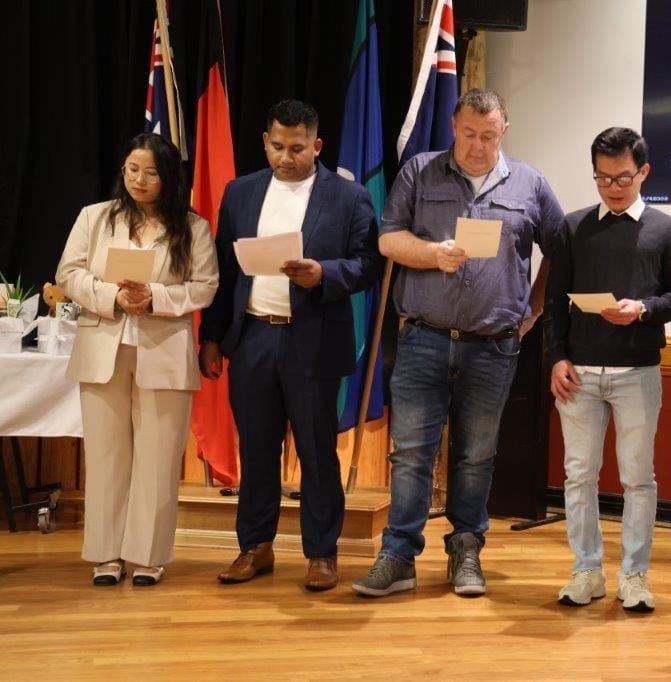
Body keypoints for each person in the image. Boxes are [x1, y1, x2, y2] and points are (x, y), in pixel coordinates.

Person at [352, 88, 564, 597]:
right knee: (411, 454)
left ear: (504, 131)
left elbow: (562, 251)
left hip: (493, 346)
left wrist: (534, 309)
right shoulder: (420, 172)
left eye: (488, 136)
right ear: (453, 126)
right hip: (423, 338)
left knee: (476, 456)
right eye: (468, 134)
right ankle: (398, 556)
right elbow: (388, 238)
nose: (477, 145)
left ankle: (465, 551)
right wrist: (432, 254)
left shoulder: (531, 183)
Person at [199, 99, 381, 592]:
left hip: (313, 339)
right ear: (265, 141)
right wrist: (211, 336)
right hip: (253, 336)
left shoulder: (348, 197)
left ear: (316, 145)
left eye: (297, 148)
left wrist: (325, 273)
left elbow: (369, 263)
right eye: (277, 146)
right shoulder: (240, 192)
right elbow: (223, 270)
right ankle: (255, 547)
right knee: (256, 448)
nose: (286, 157)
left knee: (317, 451)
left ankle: (322, 554)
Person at [56, 133, 219, 586]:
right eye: (132, 170)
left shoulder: (193, 227)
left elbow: (205, 286)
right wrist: (111, 295)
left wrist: (155, 297)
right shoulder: (95, 217)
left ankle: (148, 556)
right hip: (102, 347)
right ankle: (105, 555)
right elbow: (68, 273)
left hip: (163, 351)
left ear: (168, 177)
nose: (139, 180)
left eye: (150, 172)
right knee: (106, 457)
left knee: (157, 458)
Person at [545, 127, 671, 612]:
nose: (613, 187)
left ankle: (634, 575)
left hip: (638, 372)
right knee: (578, 476)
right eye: (603, 178)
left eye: (623, 178)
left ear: (643, 172)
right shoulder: (572, 228)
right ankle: (586, 570)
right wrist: (556, 358)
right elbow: (554, 301)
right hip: (579, 373)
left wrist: (644, 309)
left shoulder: (666, 229)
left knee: (637, 478)